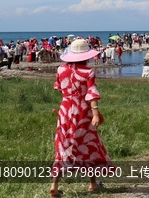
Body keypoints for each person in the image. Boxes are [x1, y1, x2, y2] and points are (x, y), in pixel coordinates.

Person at [50, 38, 111, 197]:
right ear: (86, 56)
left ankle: (54, 186)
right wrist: (96, 113)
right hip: (82, 112)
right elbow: (92, 93)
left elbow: (58, 87)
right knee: (89, 144)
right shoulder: (88, 71)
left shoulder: (60, 70)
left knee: (64, 146)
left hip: (65, 111)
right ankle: (92, 184)